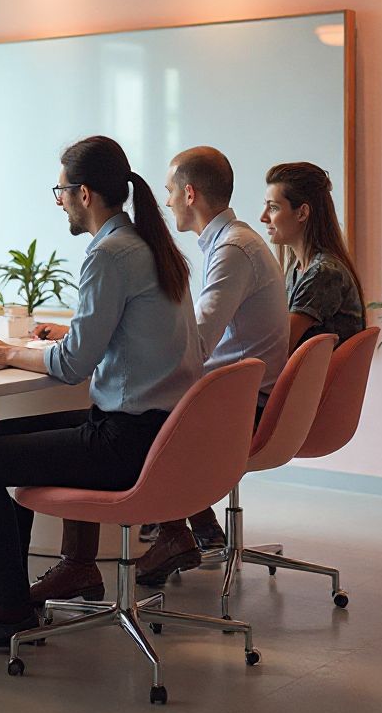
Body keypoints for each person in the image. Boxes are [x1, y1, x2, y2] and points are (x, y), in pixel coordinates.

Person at [0, 136, 202, 655]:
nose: (59, 202)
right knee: (1, 433)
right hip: (165, 433)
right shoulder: (150, 244)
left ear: (83, 194)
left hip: (127, 443)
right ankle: (4, 582)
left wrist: (3, 353)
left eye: (60, 191)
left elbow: (72, 365)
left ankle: (11, 610)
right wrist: (60, 339)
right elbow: (116, 340)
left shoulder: (108, 254)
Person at [130, 146, 290, 586]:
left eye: (168, 191)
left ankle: (175, 535)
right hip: (242, 394)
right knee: (154, 401)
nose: (165, 201)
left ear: (189, 193)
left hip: (243, 405)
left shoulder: (233, 250)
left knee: (139, 414)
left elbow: (198, 341)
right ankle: (196, 529)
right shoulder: (232, 242)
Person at [261, 161, 365, 353]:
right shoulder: (298, 270)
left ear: (302, 213)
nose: (263, 217)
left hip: (313, 383)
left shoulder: (324, 273)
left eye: (273, 208)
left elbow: (279, 348)